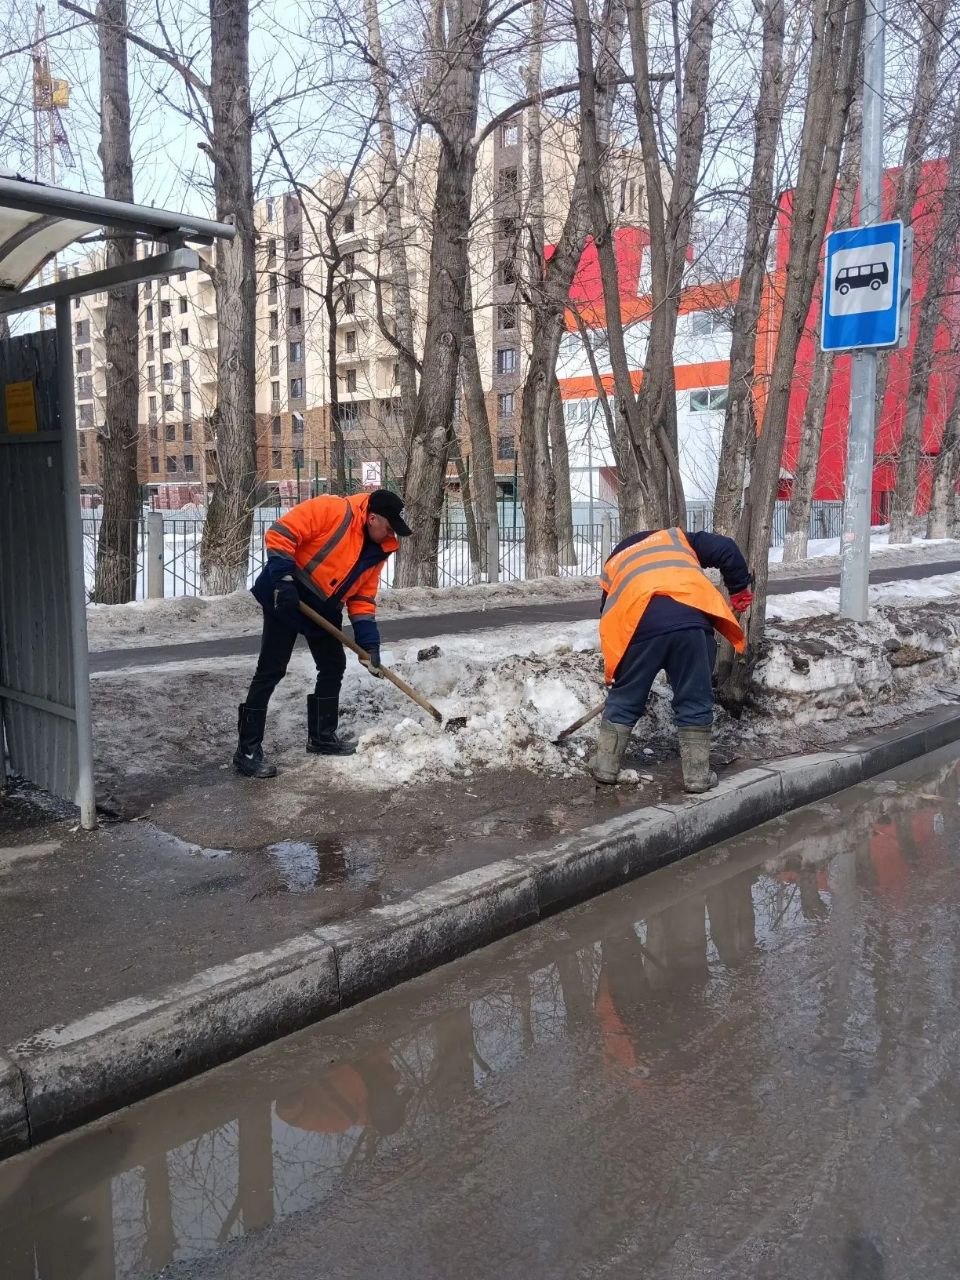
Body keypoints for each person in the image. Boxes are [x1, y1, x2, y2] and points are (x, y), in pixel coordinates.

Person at [233, 488, 411, 779]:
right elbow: (282, 533)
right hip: (286, 595)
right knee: (272, 669)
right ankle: (247, 751)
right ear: (373, 518)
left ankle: (322, 737)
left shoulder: (378, 551)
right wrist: (284, 579)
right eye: (389, 528)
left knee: (333, 665)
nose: (391, 535)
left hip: (323, 606)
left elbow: (362, 598)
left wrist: (369, 645)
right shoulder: (334, 510)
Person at [589, 525, 753, 792]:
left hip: (639, 625)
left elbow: (609, 612)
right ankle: (697, 776)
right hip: (691, 622)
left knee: (625, 698)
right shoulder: (678, 539)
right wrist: (739, 589)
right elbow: (726, 548)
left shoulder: (615, 561)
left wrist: (623, 671)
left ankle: (605, 766)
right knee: (694, 698)